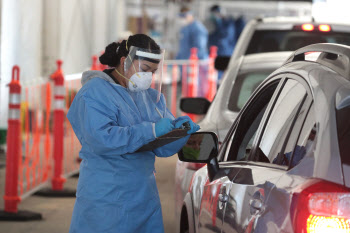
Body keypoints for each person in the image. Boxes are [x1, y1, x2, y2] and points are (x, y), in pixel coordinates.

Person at [67, 34, 199, 233]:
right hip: (106, 196)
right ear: (124, 61)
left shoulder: (149, 97)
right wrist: (151, 130)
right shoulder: (94, 92)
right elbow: (101, 140)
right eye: (145, 69)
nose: (149, 76)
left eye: (153, 72)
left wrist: (179, 133)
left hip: (144, 196)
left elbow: (161, 150)